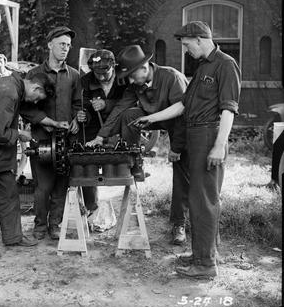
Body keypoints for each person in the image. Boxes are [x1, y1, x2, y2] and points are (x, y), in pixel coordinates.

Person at [131, 21, 241, 279]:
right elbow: (183, 106)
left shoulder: (225, 64)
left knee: (204, 200)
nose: (186, 50)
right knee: (198, 198)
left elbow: (228, 109)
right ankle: (204, 254)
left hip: (209, 135)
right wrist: (152, 118)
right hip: (195, 134)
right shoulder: (203, 66)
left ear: (200, 39)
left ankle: (205, 265)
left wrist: (219, 145)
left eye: (187, 45)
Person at [85, 45, 190, 245]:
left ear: (144, 67)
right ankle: (134, 161)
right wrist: (100, 136)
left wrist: (175, 148)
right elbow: (119, 110)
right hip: (157, 118)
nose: (131, 81)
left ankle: (179, 224)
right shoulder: (136, 84)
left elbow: (183, 116)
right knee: (129, 114)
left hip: (184, 124)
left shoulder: (172, 78)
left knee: (182, 173)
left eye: (132, 76)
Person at [0, 71, 66, 259]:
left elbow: (27, 110)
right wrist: (20, 135)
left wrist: (54, 123)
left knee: (9, 195)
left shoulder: (15, 85)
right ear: (35, 87)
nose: (34, 102)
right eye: (37, 97)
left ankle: (13, 236)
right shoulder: (9, 93)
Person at [20, 26, 82, 241]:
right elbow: (26, 108)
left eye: (68, 45)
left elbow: (78, 104)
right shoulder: (33, 74)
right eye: (61, 44)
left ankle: (55, 224)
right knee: (42, 186)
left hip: (66, 140)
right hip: (42, 139)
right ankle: (39, 225)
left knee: (61, 184)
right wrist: (44, 122)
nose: (65, 49)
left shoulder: (74, 75)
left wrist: (76, 119)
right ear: (50, 45)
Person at [75, 49, 127, 228]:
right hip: (93, 129)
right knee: (85, 161)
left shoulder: (124, 79)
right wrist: (83, 116)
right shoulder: (85, 82)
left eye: (105, 73)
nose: (101, 77)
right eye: (97, 73)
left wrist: (107, 104)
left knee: (123, 163)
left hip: (119, 125)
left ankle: (127, 210)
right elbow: (82, 106)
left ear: (113, 66)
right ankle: (91, 207)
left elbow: (129, 102)